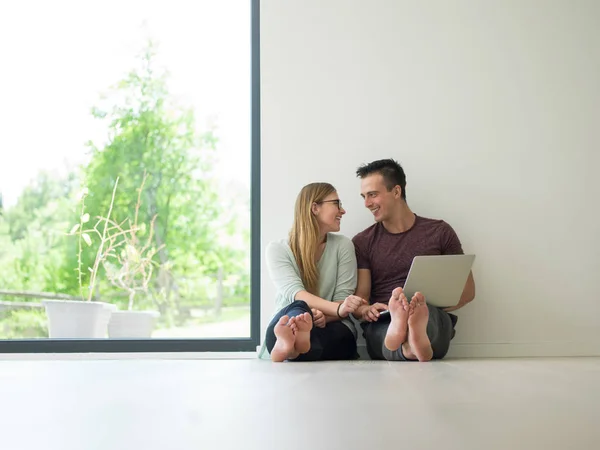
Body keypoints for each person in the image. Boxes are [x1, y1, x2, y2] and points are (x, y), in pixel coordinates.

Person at [351, 159, 476, 362]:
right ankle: (410, 342)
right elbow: (361, 301)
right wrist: (366, 310)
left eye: (373, 194)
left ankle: (411, 336)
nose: (367, 203)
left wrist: (418, 309)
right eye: (364, 197)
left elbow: (468, 291)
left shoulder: (439, 232)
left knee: (429, 318)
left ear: (397, 191)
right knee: (385, 329)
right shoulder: (363, 242)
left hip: (430, 314)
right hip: (385, 319)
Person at [258, 182, 366, 362]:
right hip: (288, 318)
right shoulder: (277, 249)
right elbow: (297, 295)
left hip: (331, 324)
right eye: (336, 204)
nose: (343, 210)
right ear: (315, 208)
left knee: (342, 337)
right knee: (299, 308)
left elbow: (343, 298)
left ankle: (292, 349)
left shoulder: (343, 246)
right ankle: (294, 337)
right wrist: (316, 314)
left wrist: (325, 316)